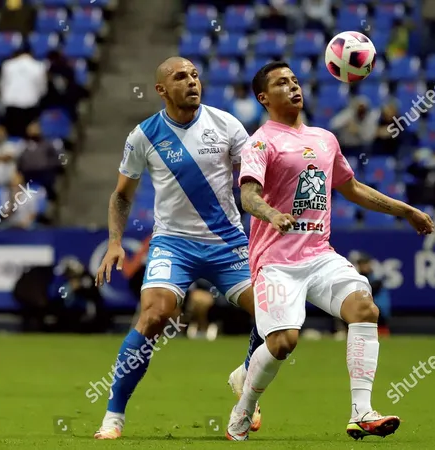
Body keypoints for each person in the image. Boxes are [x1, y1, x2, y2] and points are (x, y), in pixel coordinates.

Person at [226, 61, 434, 441]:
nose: (292, 87)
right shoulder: (261, 141)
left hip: (319, 256)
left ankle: (362, 411)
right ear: (263, 98)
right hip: (276, 261)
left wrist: (405, 210)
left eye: (294, 80)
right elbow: (248, 196)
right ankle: (243, 408)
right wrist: (272, 213)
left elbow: (352, 187)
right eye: (280, 83)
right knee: (283, 343)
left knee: (364, 308)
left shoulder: (324, 139)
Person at [92, 57, 265, 440]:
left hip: (228, 242)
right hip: (173, 243)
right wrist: (115, 241)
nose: (192, 81)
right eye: (180, 77)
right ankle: (114, 416)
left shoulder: (228, 125)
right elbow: (122, 196)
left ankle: (245, 386)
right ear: (161, 90)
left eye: (195, 75)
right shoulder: (144, 135)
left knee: (274, 317)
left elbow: (253, 184)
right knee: (154, 315)